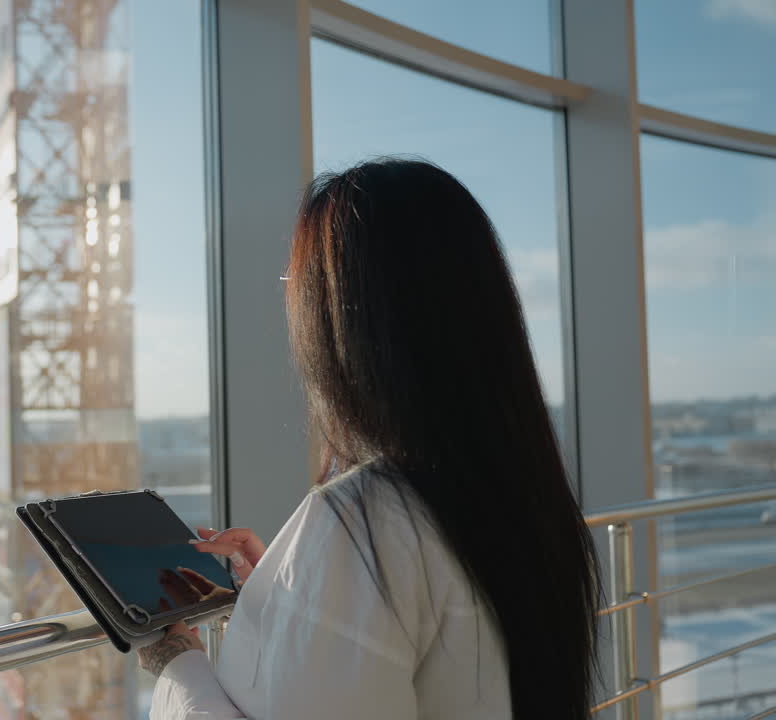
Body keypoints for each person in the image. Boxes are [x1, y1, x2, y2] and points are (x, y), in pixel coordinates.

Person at [140, 159, 600, 720]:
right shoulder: (521, 498)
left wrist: (176, 664)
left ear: (338, 318)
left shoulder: (362, 520)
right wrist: (285, 597)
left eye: (295, 287)